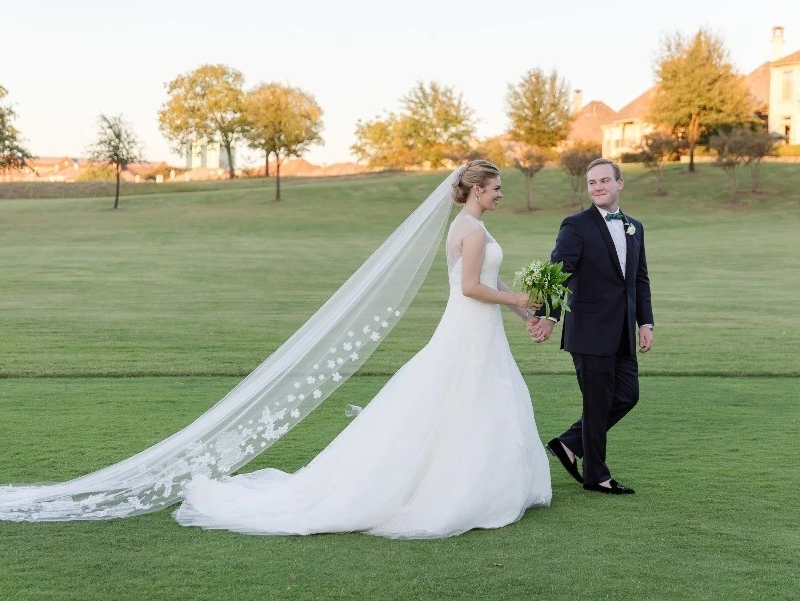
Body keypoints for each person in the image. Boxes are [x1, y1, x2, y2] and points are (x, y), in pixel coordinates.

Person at [174, 160, 552, 538]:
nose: (501, 194)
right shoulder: (468, 229)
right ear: (476, 190)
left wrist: (525, 312)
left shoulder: (476, 227)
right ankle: (455, 488)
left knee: (478, 398)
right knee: (457, 396)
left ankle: (488, 482)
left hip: (482, 328)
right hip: (469, 326)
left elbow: (492, 279)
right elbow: (471, 287)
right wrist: (516, 297)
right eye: (496, 187)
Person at [528, 158, 654, 495]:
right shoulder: (576, 225)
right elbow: (560, 272)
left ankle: (568, 444)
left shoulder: (634, 227)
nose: (597, 187)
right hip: (589, 330)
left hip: (625, 331)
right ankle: (596, 475)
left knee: (628, 395)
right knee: (596, 404)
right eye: (591, 183)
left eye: (603, 181)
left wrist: (646, 322)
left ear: (620, 183)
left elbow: (639, 279)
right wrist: (550, 317)